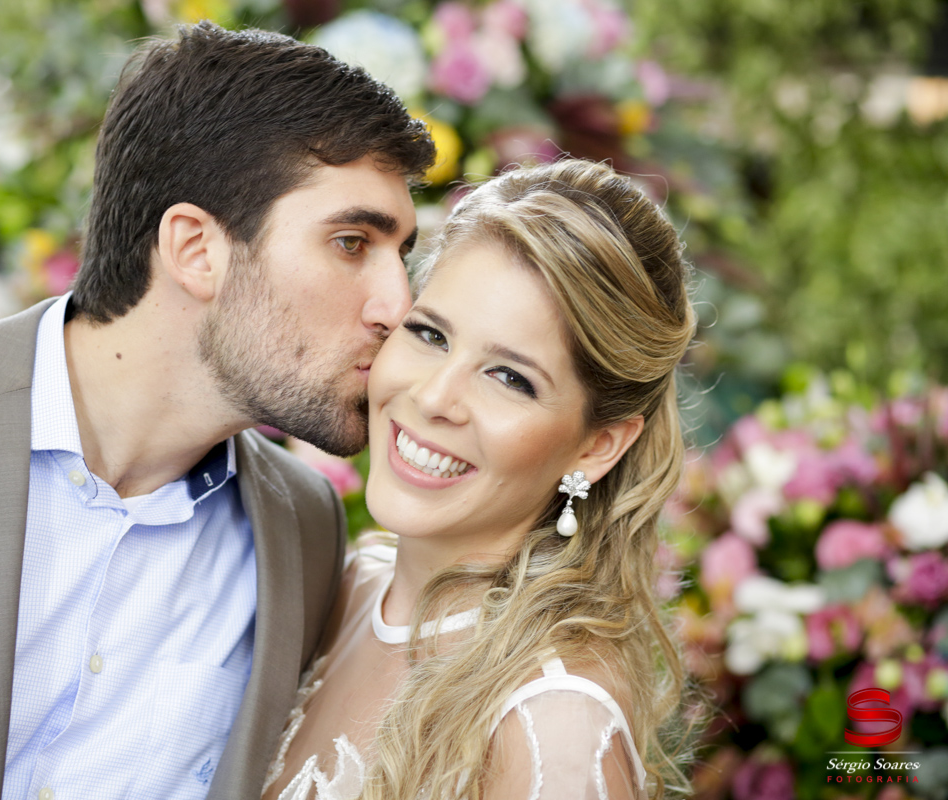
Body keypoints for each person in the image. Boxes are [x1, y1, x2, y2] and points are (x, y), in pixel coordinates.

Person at [0, 22, 435, 800]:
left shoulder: (303, 526)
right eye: (351, 243)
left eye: (402, 253)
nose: (398, 305)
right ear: (195, 249)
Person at [262, 159, 697, 800]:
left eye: (509, 378)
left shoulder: (552, 722)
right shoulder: (347, 586)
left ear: (597, 446)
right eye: (430, 334)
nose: (436, 396)